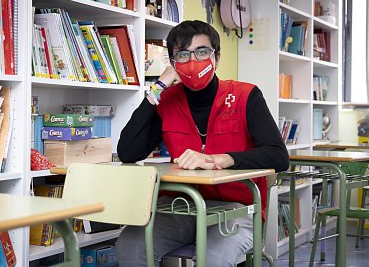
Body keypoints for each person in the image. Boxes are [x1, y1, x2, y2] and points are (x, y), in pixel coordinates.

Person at [116, 20, 289, 267]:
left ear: (216, 58)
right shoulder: (166, 101)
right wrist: (156, 89)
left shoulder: (245, 95)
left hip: (236, 209)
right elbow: (128, 152)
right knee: (130, 246)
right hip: (178, 207)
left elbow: (278, 157)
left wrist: (221, 159)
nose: (192, 60)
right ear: (173, 62)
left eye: (202, 51)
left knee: (213, 259)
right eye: (183, 54)